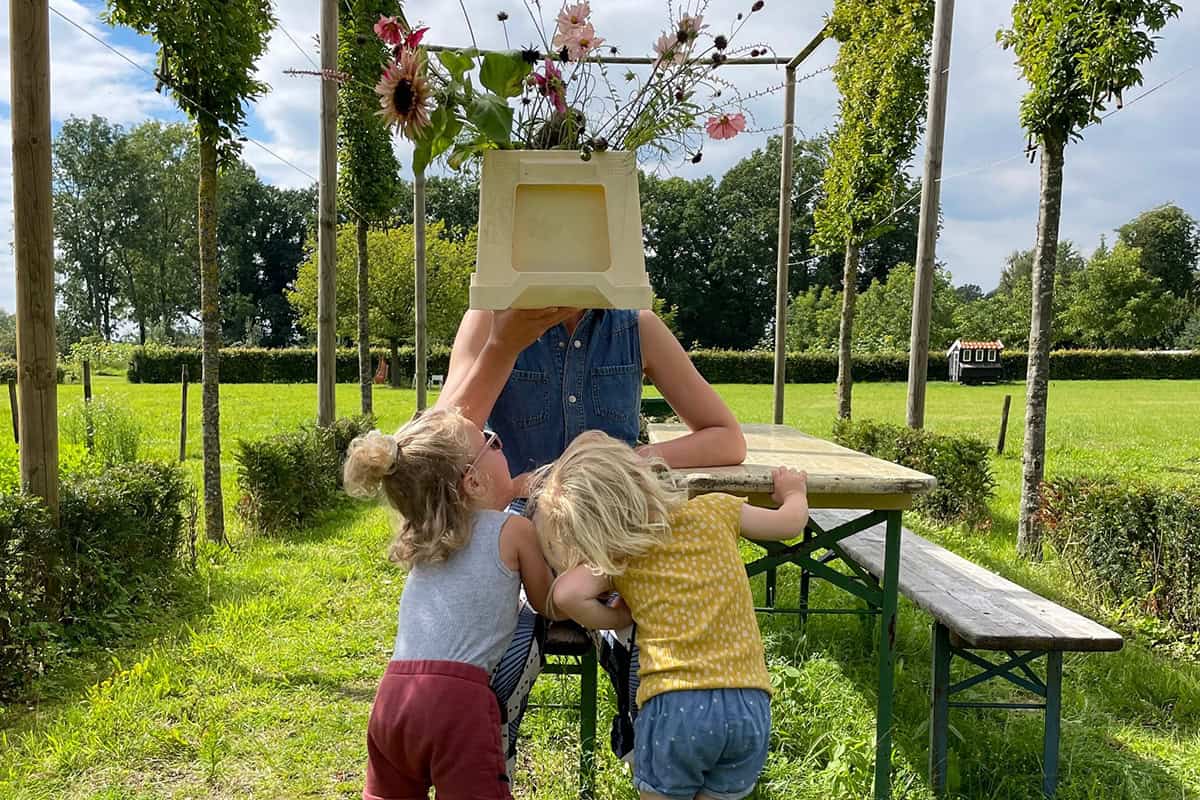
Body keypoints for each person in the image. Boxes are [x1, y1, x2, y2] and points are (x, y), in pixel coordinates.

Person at [435, 306, 746, 765]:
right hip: (523, 526)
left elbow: (727, 438)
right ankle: (486, 764)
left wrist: (632, 461)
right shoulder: (490, 317)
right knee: (502, 645)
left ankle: (655, 753)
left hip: (612, 524)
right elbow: (436, 449)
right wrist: (503, 346)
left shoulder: (635, 325)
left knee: (656, 625)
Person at [532, 431, 810, 800]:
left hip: (675, 707)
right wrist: (794, 492)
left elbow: (566, 594)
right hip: (748, 701)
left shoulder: (623, 552)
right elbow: (791, 524)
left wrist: (617, 619)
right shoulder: (715, 509)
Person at [342, 409, 563, 800]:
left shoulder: (424, 541)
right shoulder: (513, 530)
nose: (500, 444)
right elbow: (548, 603)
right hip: (458, 705)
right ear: (474, 481)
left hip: (393, 698)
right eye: (491, 442)